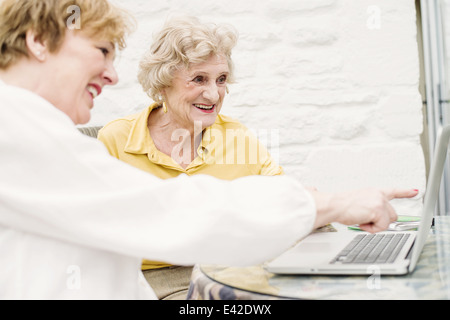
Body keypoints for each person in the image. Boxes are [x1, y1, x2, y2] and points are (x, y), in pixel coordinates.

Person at [0, 0, 418, 300]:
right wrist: (335, 203)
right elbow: (168, 213)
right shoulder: (15, 134)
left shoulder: (38, 131)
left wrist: (322, 210)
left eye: (221, 80)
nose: (112, 74)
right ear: (39, 41)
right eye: (102, 51)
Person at [97, 16, 283, 300]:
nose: (213, 94)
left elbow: (280, 198)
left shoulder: (237, 136)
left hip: (227, 273)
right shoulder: (116, 140)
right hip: (151, 282)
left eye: (221, 80)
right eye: (199, 79)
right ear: (163, 83)